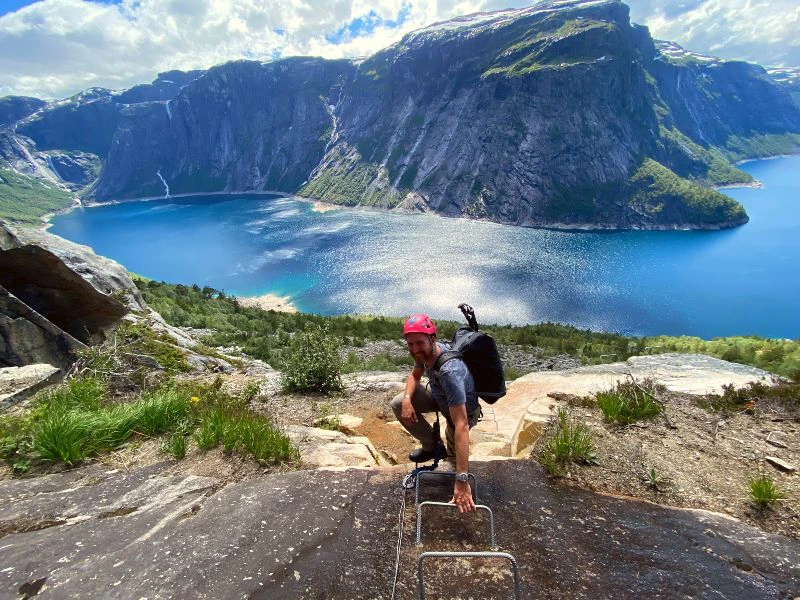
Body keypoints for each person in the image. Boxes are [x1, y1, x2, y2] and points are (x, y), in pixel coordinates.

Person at [390, 314, 481, 513]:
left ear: (432, 339)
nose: (415, 349)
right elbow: (414, 375)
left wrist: (462, 480)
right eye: (410, 344)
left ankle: (463, 493)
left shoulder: (450, 371)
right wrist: (407, 400)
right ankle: (432, 445)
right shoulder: (426, 353)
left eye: (419, 343)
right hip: (440, 396)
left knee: (455, 462)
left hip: (458, 410)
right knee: (397, 403)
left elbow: (462, 424)